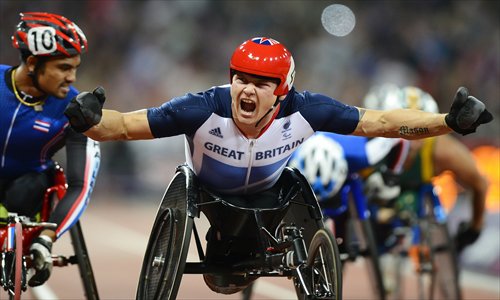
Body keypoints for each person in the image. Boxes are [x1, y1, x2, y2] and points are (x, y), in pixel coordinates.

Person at [64, 37, 492, 294]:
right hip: (210, 198)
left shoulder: (305, 111)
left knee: (300, 188)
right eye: (240, 79)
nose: (246, 91)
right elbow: (123, 126)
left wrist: (447, 122)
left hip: (271, 200)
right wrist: (89, 119)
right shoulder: (199, 109)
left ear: (282, 91)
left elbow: (382, 121)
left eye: (260, 83)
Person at [0, 12, 100, 287]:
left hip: (27, 190)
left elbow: (80, 185)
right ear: (33, 63)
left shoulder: (76, 109)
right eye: (64, 67)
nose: (72, 78)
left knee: (30, 186)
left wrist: (48, 236)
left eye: (75, 68)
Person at [363, 84, 489, 253]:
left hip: (415, 192)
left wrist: (475, 228)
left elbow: (479, 183)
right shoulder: (367, 145)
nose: (410, 138)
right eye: (400, 128)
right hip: (374, 197)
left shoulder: (443, 151)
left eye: (420, 130)